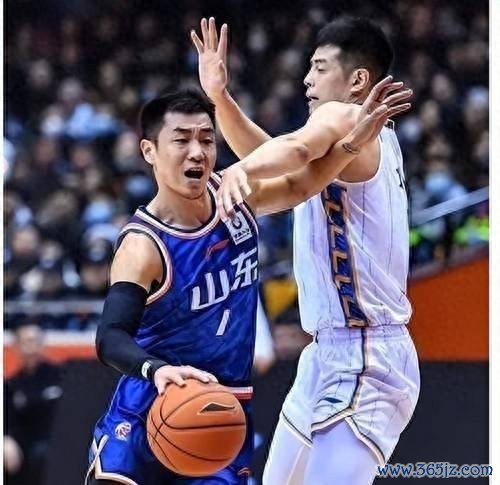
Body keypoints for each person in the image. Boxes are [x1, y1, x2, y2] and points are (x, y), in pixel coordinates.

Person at [86, 80, 406, 484]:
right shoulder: (143, 246)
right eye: (181, 140)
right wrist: (156, 370)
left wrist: (351, 145)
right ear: (149, 151)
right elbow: (110, 337)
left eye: (206, 139)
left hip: (223, 412)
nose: (197, 151)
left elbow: (299, 185)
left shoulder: (233, 194)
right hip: (151, 404)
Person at [192, 16, 420, 485]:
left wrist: (241, 172)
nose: (306, 79)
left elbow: (292, 151)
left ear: (357, 80)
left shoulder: (348, 117)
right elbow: (286, 165)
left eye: (319, 67)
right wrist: (219, 97)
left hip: (367, 355)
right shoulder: (348, 140)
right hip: (325, 356)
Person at [4, 323, 63, 485]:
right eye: (26, 342)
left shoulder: (60, 375)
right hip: (24, 444)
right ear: (17, 346)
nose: (32, 347)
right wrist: (5, 439)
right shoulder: (12, 384)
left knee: (41, 456)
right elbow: (8, 420)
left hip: (57, 440)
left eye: (36, 341)